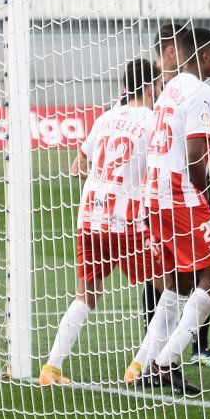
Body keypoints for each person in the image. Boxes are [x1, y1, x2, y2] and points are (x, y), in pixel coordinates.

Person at [39, 59, 162, 386]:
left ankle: (50, 368)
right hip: (127, 221)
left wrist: (102, 176)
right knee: (171, 291)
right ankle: (139, 366)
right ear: (151, 87)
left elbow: (76, 167)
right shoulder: (153, 121)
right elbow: (159, 173)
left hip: (90, 217)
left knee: (86, 296)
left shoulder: (106, 117)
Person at [140, 25, 210, 395]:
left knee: (178, 281)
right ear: (205, 56)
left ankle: (145, 364)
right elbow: (195, 157)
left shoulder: (170, 88)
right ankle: (163, 363)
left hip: (155, 193)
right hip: (181, 194)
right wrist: (205, 197)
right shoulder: (201, 90)